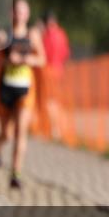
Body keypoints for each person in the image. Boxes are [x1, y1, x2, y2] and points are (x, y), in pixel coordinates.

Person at [0, 0, 46, 189]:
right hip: (4, 88)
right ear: (11, 14)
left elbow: (42, 60)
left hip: (25, 89)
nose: (19, 14)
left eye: (23, 11)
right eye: (16, 11)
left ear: (27, 14)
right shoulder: (4, 35)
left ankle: (15, 173)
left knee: (22, 131)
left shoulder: (33, 35)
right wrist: (5, 59)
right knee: (7, 133)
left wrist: (26, 59)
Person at [41, 10, 70, 140]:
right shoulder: (62, 33)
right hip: (60, 71)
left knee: (49, 101)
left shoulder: (46, 36)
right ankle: (60, 128)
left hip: (48, 71)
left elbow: (42, 54)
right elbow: (66, 53)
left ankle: (55, 129)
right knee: (57, 101)